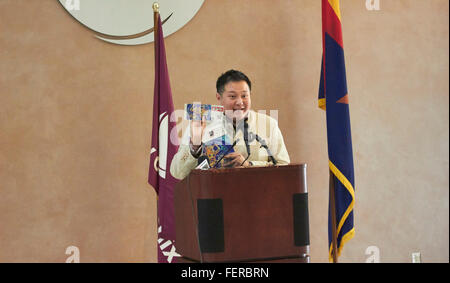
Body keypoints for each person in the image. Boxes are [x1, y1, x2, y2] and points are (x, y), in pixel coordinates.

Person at [170, 69, 290, 180]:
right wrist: (195, 146)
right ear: (219, 97)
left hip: (257, 197)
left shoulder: (269, 124)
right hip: (213, 197)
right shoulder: (200, 124)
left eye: (244, 96)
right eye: (232, 96)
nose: (240, 102)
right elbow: (177, 172)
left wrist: (249, 165)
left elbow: (284, 167)